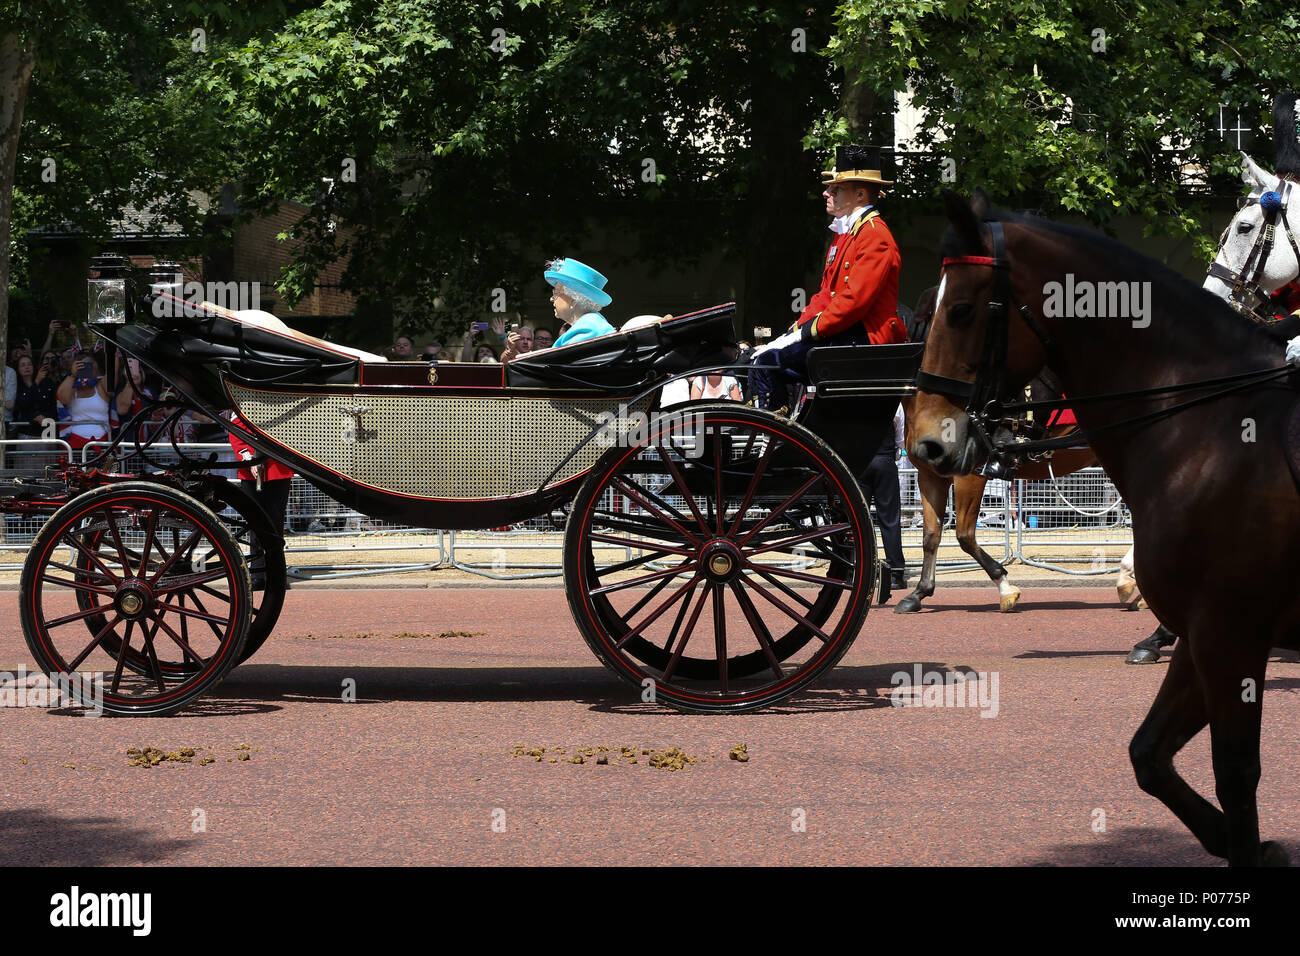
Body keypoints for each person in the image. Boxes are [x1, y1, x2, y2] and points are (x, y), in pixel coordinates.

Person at [750, 144, 907, 408]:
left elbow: (853, 303)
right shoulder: (847, 233)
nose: (826, 193)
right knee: (753, 360)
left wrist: (806, 334)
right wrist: (797, 329)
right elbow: (826, 294)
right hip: (846, 332)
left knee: (768, 363)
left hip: (865, 337)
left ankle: (772, 439)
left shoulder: (874, 235)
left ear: (859, 195)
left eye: (836, 189)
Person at [861, 404, 908, 593]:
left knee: (858, 520)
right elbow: (901, 438)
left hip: (860, 463)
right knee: (889, 519)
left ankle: (857, 568)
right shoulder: (894, 403)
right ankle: (896, 572)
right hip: (885, 460)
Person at [544, 258, 614, 348]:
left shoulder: (586, 329)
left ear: (574, 300)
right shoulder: (594, 322)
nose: (551, 299)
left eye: (556, 293)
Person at [55, 350, 111, 452]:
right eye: (82, 368)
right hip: (76, 444)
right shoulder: (73, 388)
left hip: (102, 442)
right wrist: (72, 374)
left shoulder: (101, 386)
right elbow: (62, 398)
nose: (86, 371)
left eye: (89, 367)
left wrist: (113, 354)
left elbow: (113, 377)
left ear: (96, 371)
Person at [10, 353, 58, 439]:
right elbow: (23, 404)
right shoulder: (16, 386)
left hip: (48, 429)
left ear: (33, 366)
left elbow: (53, 404)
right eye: (23, 365)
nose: (27, 367)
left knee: (50, 452)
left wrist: (45, 417)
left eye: (29, 364)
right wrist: (36, 382)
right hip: (27, 431)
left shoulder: (47, 382)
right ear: (18, 369)